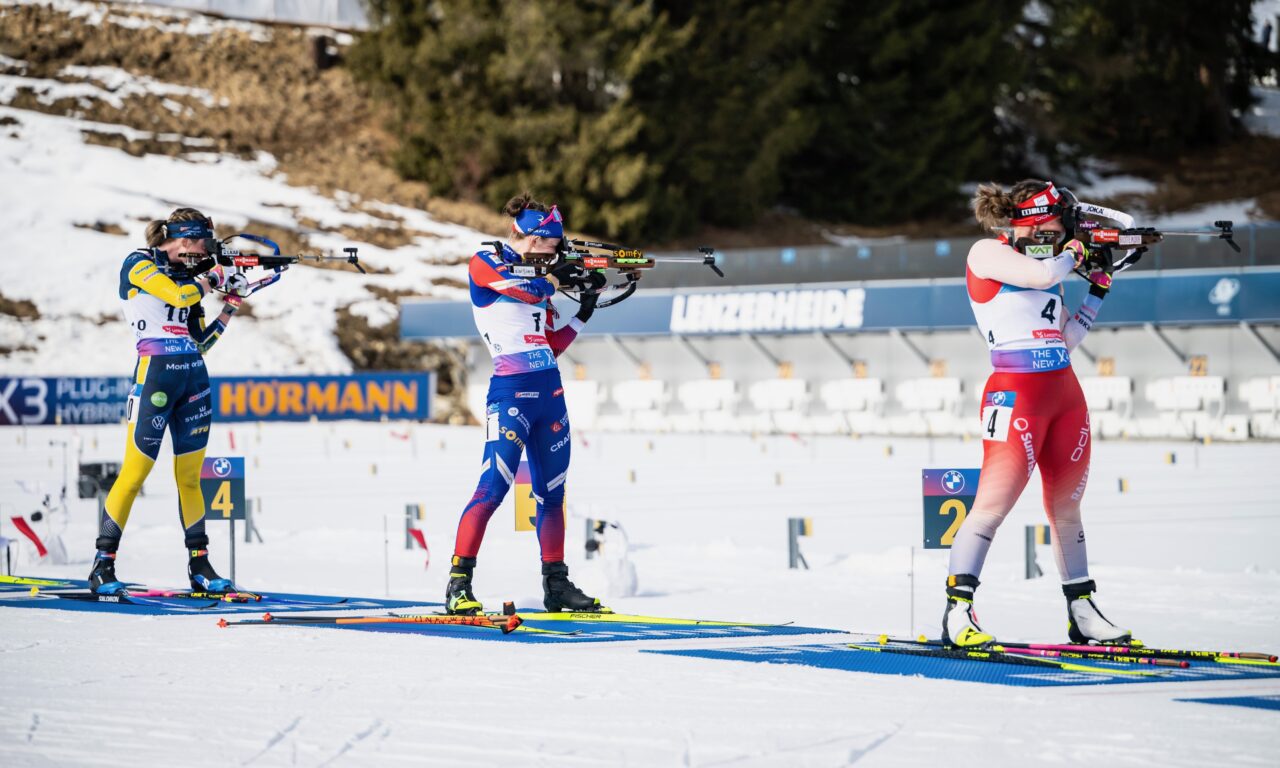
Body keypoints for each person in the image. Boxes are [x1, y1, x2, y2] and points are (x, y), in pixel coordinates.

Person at [942, 179, 1130, 647]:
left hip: (1062, 390)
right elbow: (1045, 276)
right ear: (1030, 221)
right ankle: (957, 613)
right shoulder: (987, 253)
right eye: (1054, 224)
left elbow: (1064, 337)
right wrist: (1075, 254)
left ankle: (1082, 612)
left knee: (1066, 509)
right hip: (1016, 393)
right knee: (991, 505)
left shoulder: (1045, 265)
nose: (1060, 232)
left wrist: (1099, 288)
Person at [445, 193, 607, 615]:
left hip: (549, 393)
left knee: (552, 494)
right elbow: (529, 291)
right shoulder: (486, 261)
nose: (557, 251)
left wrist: (584, 311)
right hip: (511, 393)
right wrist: (558, 278)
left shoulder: (542, 281)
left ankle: (556, 584)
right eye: (553, 245)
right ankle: (459, 582)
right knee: (492, 490)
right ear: (535, 240)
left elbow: (549, 346)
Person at [88, 208, 256, 595]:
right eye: (203, 245)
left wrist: (230, 305)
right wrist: (213, 277)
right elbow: (178, 293)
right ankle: (103, 564)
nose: (206, 252)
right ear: (183, 238)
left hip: (193, 376)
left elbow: (200, 342)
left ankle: (200, 566)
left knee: (190, 479)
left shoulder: (189, 276)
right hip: (155, 378)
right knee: (133, 475)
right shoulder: (138, 264)